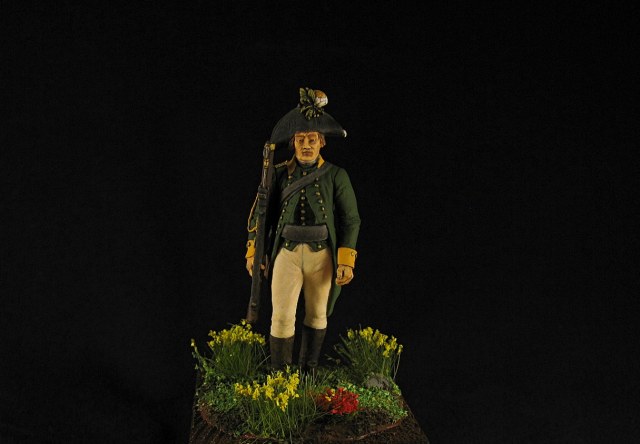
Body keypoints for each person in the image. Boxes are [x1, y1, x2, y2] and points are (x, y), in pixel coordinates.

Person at [245, 88, 361, 372]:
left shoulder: (336, 176)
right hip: (286, 253)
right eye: (300, 140)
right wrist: (254, 251)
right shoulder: (278, 174)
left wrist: (346, 260)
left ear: (322, 142)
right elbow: (260, 216)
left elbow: (350, 219)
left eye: (311, 139)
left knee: (317, 315)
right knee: (281, 317)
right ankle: (281, 377)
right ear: (293, 143)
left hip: (322, 256)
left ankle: (308, 372)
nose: (306, 145)